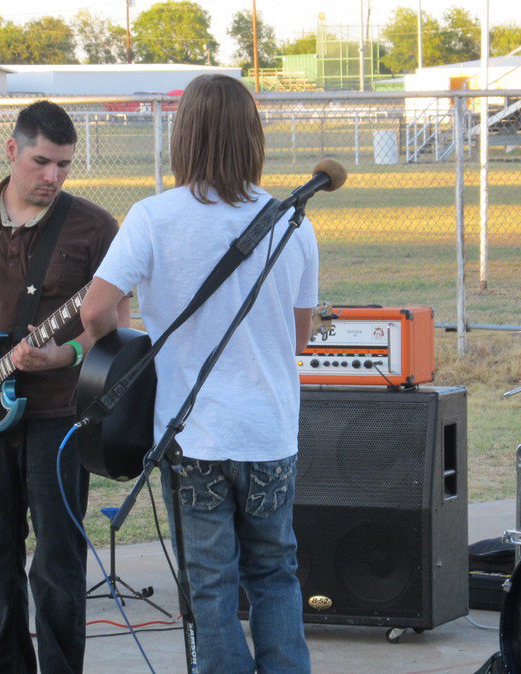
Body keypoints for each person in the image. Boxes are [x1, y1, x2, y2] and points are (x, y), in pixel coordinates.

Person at [81, 74, 318, 673]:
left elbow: (93, 310)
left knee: (211, 587)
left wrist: (130, 344)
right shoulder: (293, 222)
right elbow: (299, 337)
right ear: (253, 137)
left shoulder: (154, 217)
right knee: (275, 573)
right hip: (268, 431)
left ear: (182, 137)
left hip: (193, 438)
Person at [0, 100, 128, 674]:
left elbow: (117, 329)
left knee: (58, 560)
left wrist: (64, 353)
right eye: (41, 162)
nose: (53, 177)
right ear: (11, 150)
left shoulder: (93, 226)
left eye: (64, 165)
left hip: (61, 416)